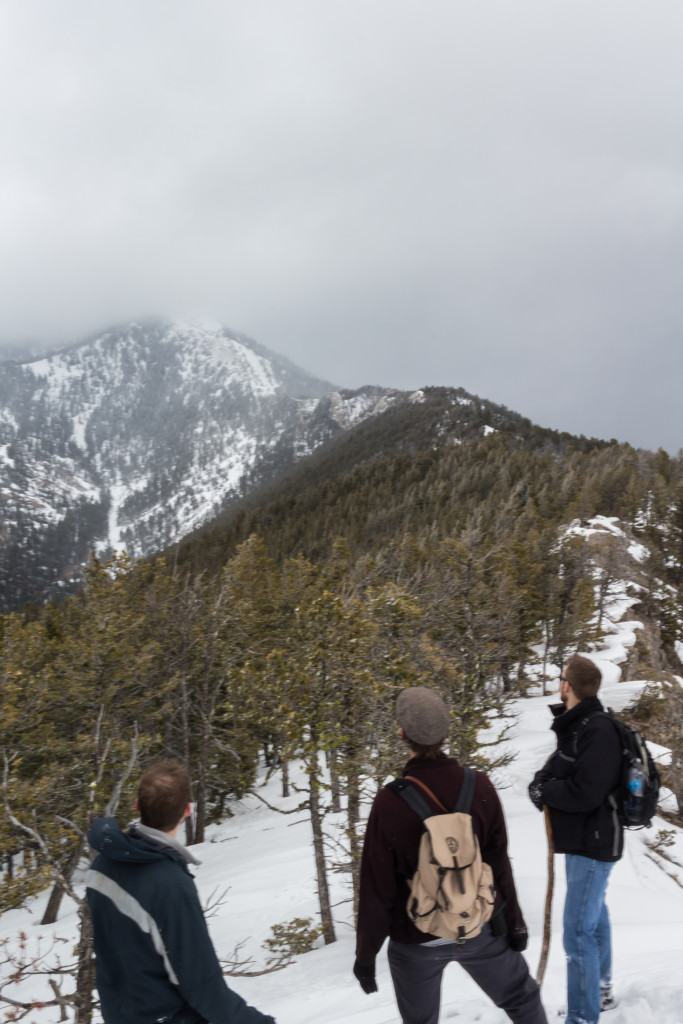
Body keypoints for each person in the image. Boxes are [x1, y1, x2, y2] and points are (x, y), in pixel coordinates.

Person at [354, 686, 547, 1024]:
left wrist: (366, 956)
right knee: (521, 998)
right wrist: (514, 923)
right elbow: (498, 863)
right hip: (479, 926)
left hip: (416, 937)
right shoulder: (480, 786)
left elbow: (377, 887)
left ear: (403, 734)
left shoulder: (389, 802)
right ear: (445, 732)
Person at [86, 760, 275, 1024]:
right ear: (187, 810)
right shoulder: (170, 886)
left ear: (137, 805)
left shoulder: (102, 865)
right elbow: (204, 988)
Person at [528, 654, 623, 1024]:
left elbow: (586, 792)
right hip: (584, 842)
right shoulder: (579, 725)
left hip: (593, 845)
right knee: (594, 917)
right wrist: (541, 785)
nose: (558, 682)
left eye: (561, 677)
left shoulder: (596, 729)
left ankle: (583, 1016)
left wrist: (546, 792)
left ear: (568, 685)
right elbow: (558, 770)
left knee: (578, 933)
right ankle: (600, 989)